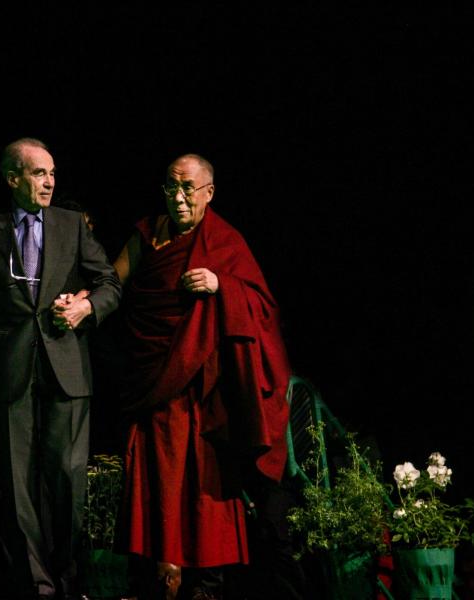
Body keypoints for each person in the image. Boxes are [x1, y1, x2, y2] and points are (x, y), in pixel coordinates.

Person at [115, 154, 291, 600]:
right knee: (154, 480)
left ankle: (206, 584)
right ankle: (154, 576)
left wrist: (221, 286)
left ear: (208, 193)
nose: (178, 197)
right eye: (171, 187)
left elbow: (264, 310)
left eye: (188, 188)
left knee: (202, 485)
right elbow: (111, 288)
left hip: (202, 392)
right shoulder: (146, 236)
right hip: (153, 384)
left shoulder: (225, 242)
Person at [0, 138, 121, 599]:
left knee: (68, 481)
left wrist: (84, 308)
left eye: (52, 173)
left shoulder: (71, 225)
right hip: (8, 373)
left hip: (65, 371)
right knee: (17, 488)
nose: (49, 181)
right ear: (13, 179)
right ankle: (39, 586)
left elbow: (109, 282)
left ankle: (70, 577)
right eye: (37, 173)